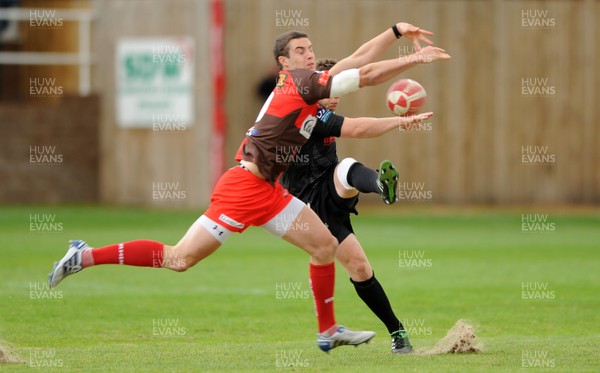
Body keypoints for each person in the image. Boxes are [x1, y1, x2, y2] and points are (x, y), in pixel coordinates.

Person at [49, 24, 450, 353]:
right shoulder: (300, 83)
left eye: (311, 48)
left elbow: (358, 60)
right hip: (243, 188)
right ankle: (85, 257)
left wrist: (395, 32)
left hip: (271, 193)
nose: (309, 54)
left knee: (325, 246)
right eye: (300, 50)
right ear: (284, 62)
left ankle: (327, 331)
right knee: (178, 260)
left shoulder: (312, 86)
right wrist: (413, 60)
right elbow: (364, 75)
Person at [280, 57, 433, 353]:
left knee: (346, 167)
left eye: (338, 92)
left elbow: (361, 60)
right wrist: (401, 121)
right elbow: (361, 128)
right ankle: (397, 332)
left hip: (331, 186)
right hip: (307, 205)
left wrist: (403, 46)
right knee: (359, 268)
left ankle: (379, 185)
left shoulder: (322, 111)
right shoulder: (309, 115)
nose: (335, 98)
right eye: (330, 91)